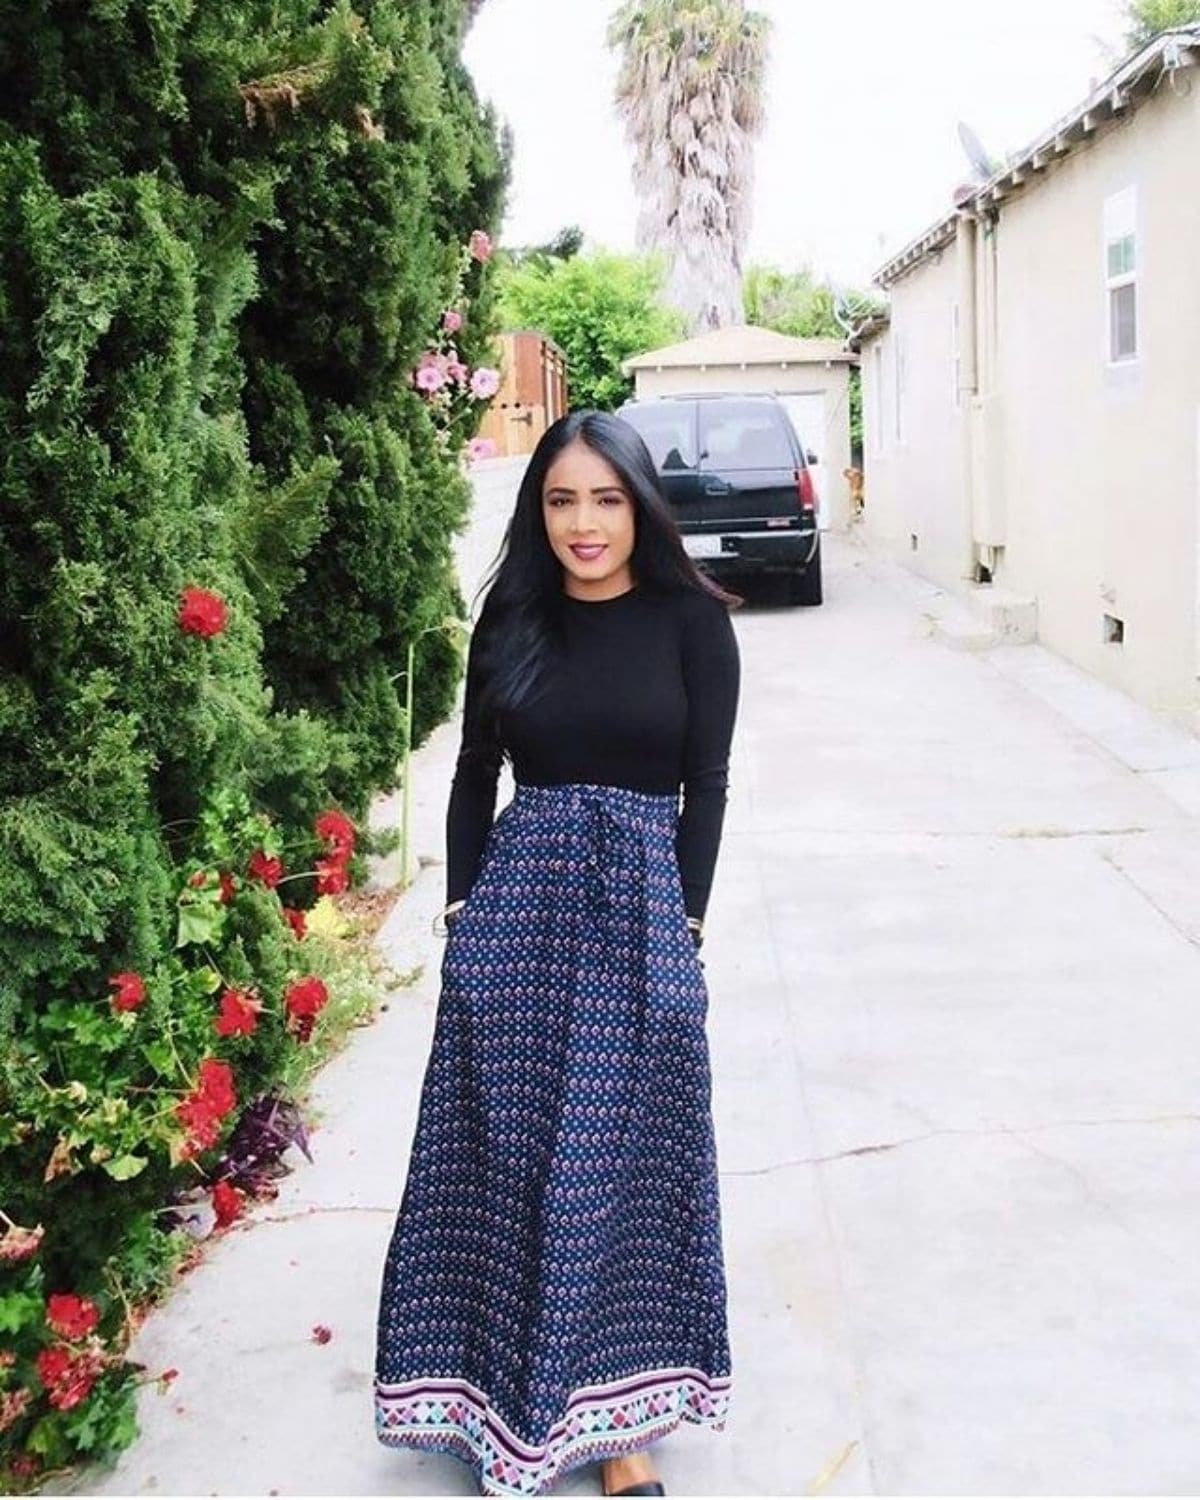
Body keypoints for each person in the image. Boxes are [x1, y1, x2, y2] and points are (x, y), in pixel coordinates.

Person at [374, 409, 742, 1498]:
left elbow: (706, 788)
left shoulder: (692, 624)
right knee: (508, 1163)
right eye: (562, 500)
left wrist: (687, 928)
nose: (585, 524)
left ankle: (617, 1428)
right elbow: (473, 771)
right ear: (539, 513)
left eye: (607, 499)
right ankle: (501, 1398)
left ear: (641, 506)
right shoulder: (513, 619)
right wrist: (462, 914)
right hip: (520, 920)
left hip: (638, 920)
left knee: (620, 1170)